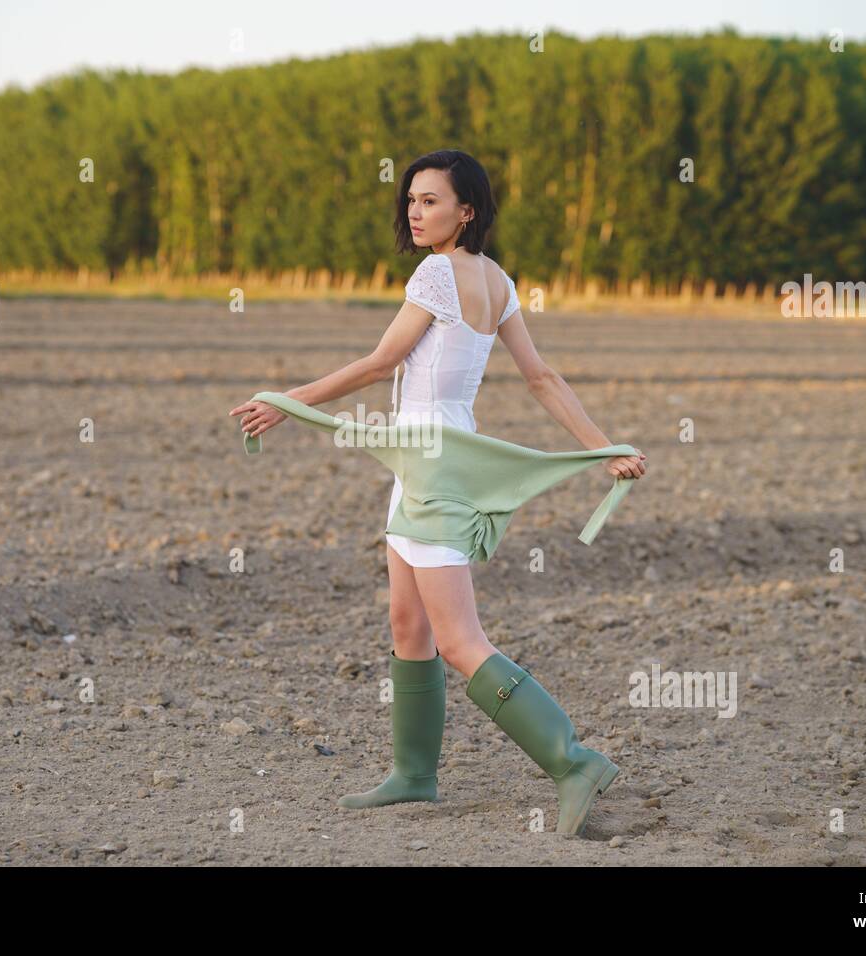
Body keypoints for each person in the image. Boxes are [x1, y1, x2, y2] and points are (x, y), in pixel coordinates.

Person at [229, 149, 646, 836]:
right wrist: (606, 446)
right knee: (409, 625)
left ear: (468, 210)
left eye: (431, 200)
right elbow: (540, 378)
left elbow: (381, 362)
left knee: (457, 639)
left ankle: (572, 761)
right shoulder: (498, 281)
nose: (416, 212)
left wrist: (286, 401)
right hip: (425, 461)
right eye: (412, 200)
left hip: (433, 468)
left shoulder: (437, 274)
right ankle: (413, 774)